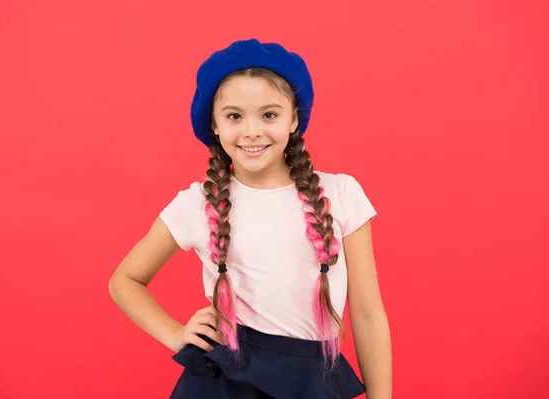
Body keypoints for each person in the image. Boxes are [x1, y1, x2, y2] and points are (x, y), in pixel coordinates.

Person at [108, 38, 392, 399]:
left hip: (312, 380)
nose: (252, 130)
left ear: (294, 119)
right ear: (214, 123)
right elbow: (125, 280)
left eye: (269, 114)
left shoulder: (341, 194)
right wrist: (174, 333)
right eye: (234, 116)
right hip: (224, 383)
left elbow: (367, 315)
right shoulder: (198, 203)